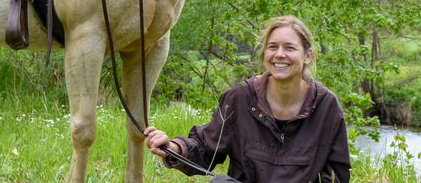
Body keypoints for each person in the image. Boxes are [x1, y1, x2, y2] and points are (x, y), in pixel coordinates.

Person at [145, 15, 351, 182]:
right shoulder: (240, 98)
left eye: (290, 48)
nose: (279, 54)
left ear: (308, 56)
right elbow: (206, 149)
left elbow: (337, 174)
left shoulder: (326, 106)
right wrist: (172, 149)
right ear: (264, 53)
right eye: (272, 47)